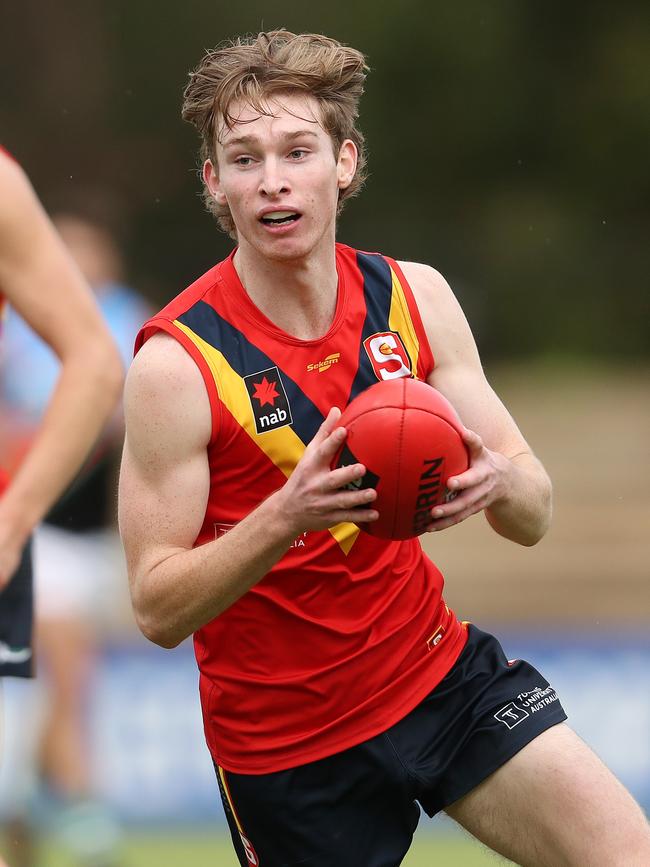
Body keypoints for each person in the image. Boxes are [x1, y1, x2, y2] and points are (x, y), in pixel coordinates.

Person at [117, 31, 650, 867]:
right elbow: (154, 606)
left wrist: (496, 481)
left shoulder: (415, 298)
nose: (274, 179)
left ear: (345, 162)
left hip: (438, 675)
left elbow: (534, 513)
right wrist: (284, 516)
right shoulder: (177, 364)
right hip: (287, 752)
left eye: (297, 151)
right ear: (215, 182)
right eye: (245, 159)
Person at [0, 210, 150, 867]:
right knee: (43, 680)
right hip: (35, 528)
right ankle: (71, 819)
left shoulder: (119, 321)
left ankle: (50, 810)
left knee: (57, 681)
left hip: (73, 532)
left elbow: (112, 413)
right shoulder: (19, 325)